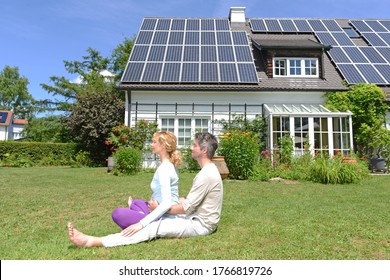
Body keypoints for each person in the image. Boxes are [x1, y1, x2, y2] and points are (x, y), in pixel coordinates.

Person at [68, 132, 223, 248]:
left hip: (200, 225)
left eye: (194, 145)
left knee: (154, 227)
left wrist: (150, 216)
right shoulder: (208, 171)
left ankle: (94, 241)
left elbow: (185, 208)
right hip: (195, 217)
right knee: (149, 212)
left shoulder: (206, 175)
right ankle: (140, 215)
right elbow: (190, 203)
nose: (191, 148)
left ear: (203, 150)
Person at [112, 131, 182, 236]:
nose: (151, 145)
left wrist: (141, 224)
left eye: (154, 142)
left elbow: (167, 204)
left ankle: (142, 219)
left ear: (163, 145)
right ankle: (139, 212)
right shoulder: (168, 165)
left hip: (163, 216)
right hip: (157, 209)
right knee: (136, 203)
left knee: (118, 214)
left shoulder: (165, 169)